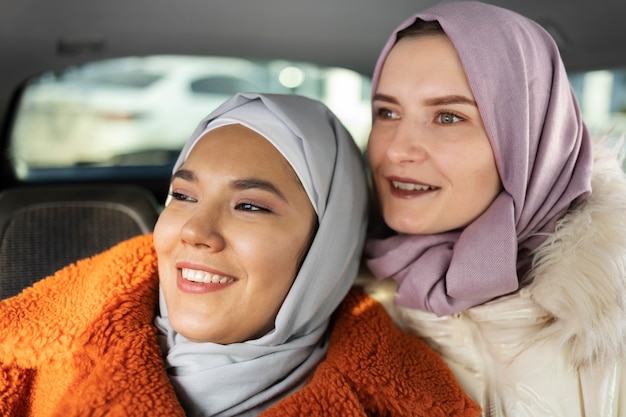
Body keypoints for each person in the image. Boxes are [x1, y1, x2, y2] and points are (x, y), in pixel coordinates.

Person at [0, 92, 481, 416]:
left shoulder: (406, 399)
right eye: (183, 196)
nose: (195, 231)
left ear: (326, 248)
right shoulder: (26, 355)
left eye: (249, 205)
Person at [362, 2, 626, 416]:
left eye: (447, 117)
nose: (396, 149)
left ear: (527, 134)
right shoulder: (340, 304)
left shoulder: (611, 310)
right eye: (387, 112)